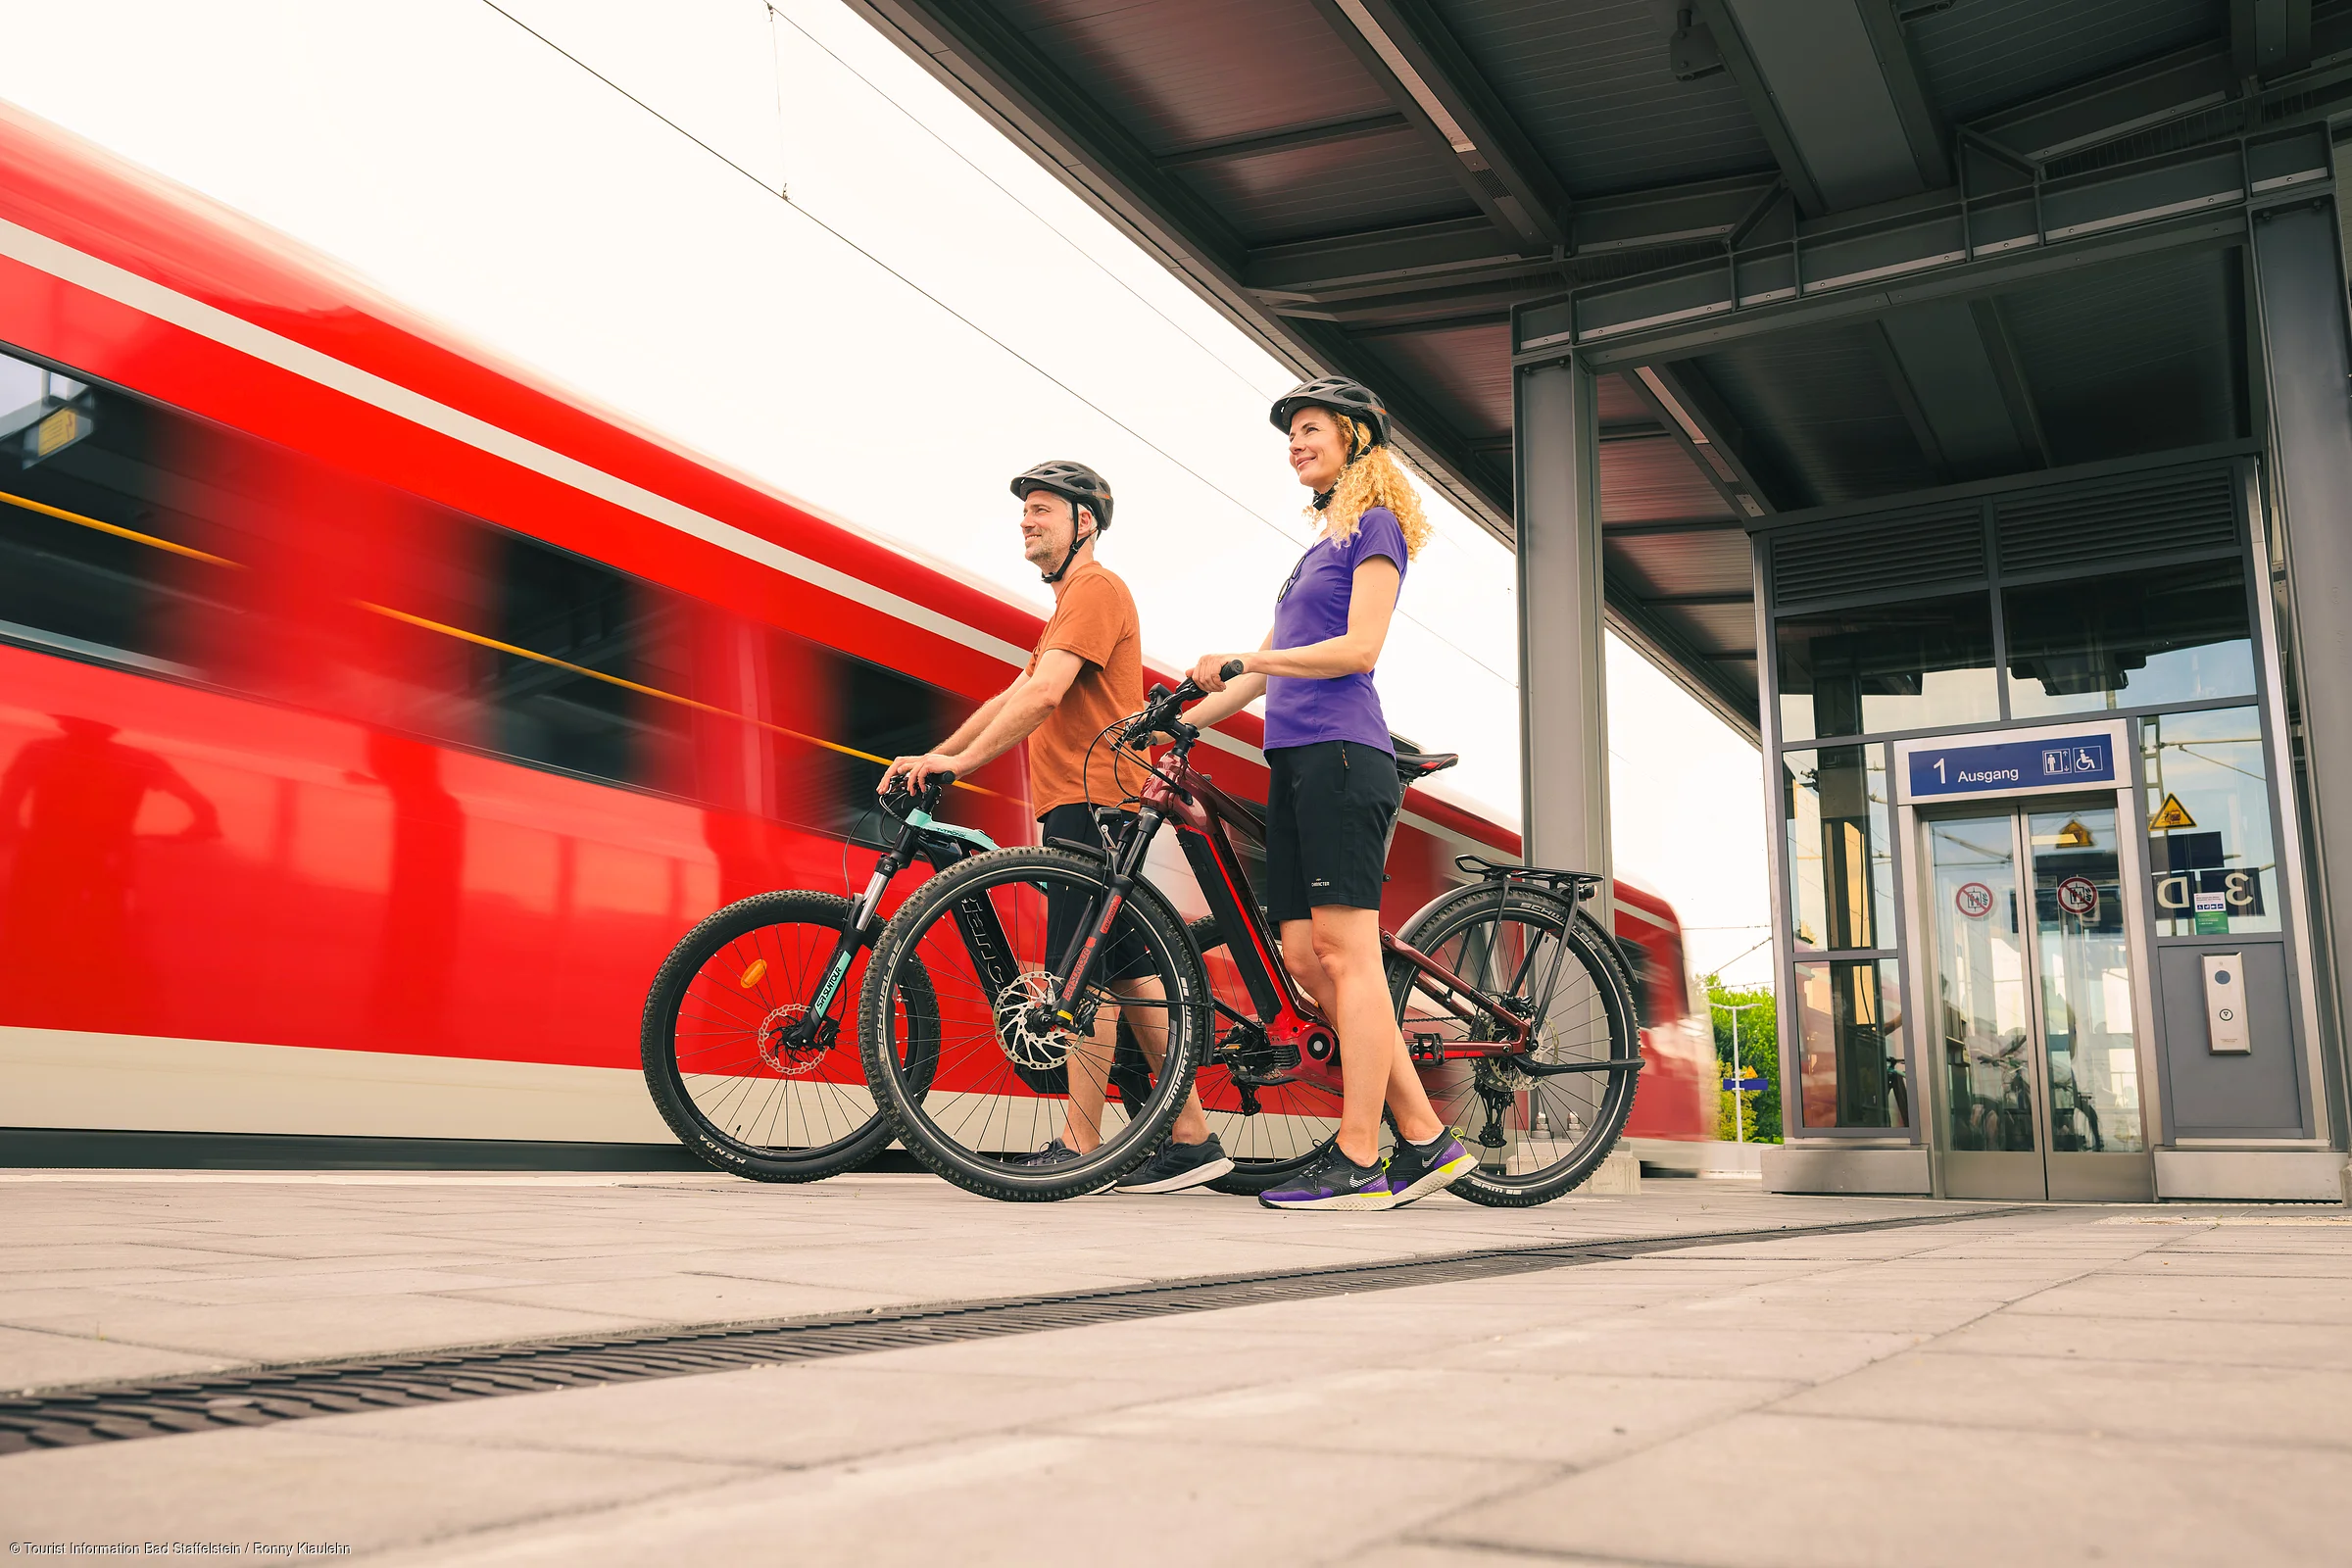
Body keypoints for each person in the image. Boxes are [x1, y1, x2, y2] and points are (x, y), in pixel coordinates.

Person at [880, 462, 1229, 1193]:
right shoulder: (1072, 602)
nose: (1027, 522)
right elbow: (1019, 688)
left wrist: (963, 764)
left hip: (1094, 801)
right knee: (1128, 977)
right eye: (1025, 513)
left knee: (1078, 978)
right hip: (1092, 803)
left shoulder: (1097, 589)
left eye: (1042, 509)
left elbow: (1043, 693)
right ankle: (1192, 1137)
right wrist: (946, 754)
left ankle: (1079, 1145)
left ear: (1085, 523)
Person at [1182, 378, 1475, 1211]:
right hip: (1298, 761)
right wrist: (1174, 721)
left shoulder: (1375, 529)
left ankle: (1357, 1154)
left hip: (1345, 754)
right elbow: (1249, 677)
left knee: (1348, 957)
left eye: (1309, 430)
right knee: (1310, 960)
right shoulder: (1313, 554)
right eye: (1290, 435)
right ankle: (1427, 1141)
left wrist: (1251, 662)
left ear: (1354, 438)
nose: (1295, 445)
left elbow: (1359, 648)